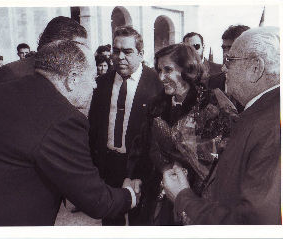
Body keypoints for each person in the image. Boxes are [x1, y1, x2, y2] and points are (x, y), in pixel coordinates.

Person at [0, 39, 141, 226]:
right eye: (93, 78)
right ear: (73, 79)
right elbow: (96, 201)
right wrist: (129, 195)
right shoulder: (63, 119)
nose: (95, 86)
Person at [162, 26, 280, 225]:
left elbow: (252, 222)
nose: (224, 68)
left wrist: (183, 197)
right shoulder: (262, 111)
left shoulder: (271, 125)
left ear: (256, 68)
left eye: (230, 61)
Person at [127, 43, 237, 225]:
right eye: (159, 70)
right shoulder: (156, 105)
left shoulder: (212, 103)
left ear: (188, 69)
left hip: (198, 198)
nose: (161, 77)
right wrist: (135, 175)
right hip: (158, 195)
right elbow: (142, 147)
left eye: (168, 70)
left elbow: (226, 154)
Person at [89, 26, 162, 225]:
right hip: (108, 166)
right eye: (116, 50)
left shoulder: (157, 85)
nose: (120, 57)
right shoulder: (102, 83)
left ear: (141, 53)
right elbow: (94, 127)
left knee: (142, 223)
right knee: (111, 222)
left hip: (142, 167)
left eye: (127, 52)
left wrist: (142, 171)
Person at [0, 16, 88, 87]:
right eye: (76, 48)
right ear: (54, 44)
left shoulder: (74, 75)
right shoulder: (10, 73)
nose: (81, 54)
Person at [208, 25, 250, 91]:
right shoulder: (213, 82)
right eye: (224, 48)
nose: (225, 54)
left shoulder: (258, 84)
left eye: (231, 48)